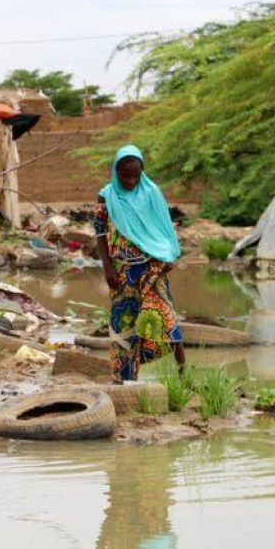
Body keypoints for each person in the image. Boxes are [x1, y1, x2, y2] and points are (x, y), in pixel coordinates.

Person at [95, 145, 185, 383]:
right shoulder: (106, 196)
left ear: (142, 172)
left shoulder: (152, 192)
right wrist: (107, 268)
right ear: (116, 171)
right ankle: (125, 379)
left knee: (165, 318)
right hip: (121, 271)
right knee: (124, 324)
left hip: (153, 266)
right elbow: (100, 234)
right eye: (126, 175)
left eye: (136, 175)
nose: (131, 181)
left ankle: (184, 373)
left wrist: (168, 255)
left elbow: (163, 227)